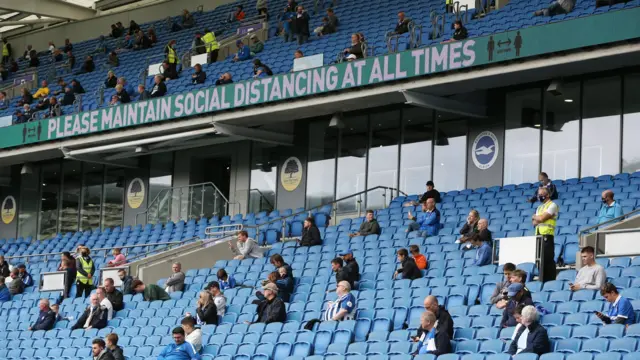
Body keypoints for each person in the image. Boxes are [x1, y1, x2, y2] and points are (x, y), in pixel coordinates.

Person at [532, 187, 558, 282]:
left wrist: (535, 216)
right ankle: (542, 279)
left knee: (547, 259)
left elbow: (542, 218)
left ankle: (550, 280)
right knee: (540, 260)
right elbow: (534, 223)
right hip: (538, 235)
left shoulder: (552, 205)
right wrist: (537, 218)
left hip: (547, 235)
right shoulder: (540, 207)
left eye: (541, 194)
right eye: (538, 195)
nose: (539, 196)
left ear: (547, 195)